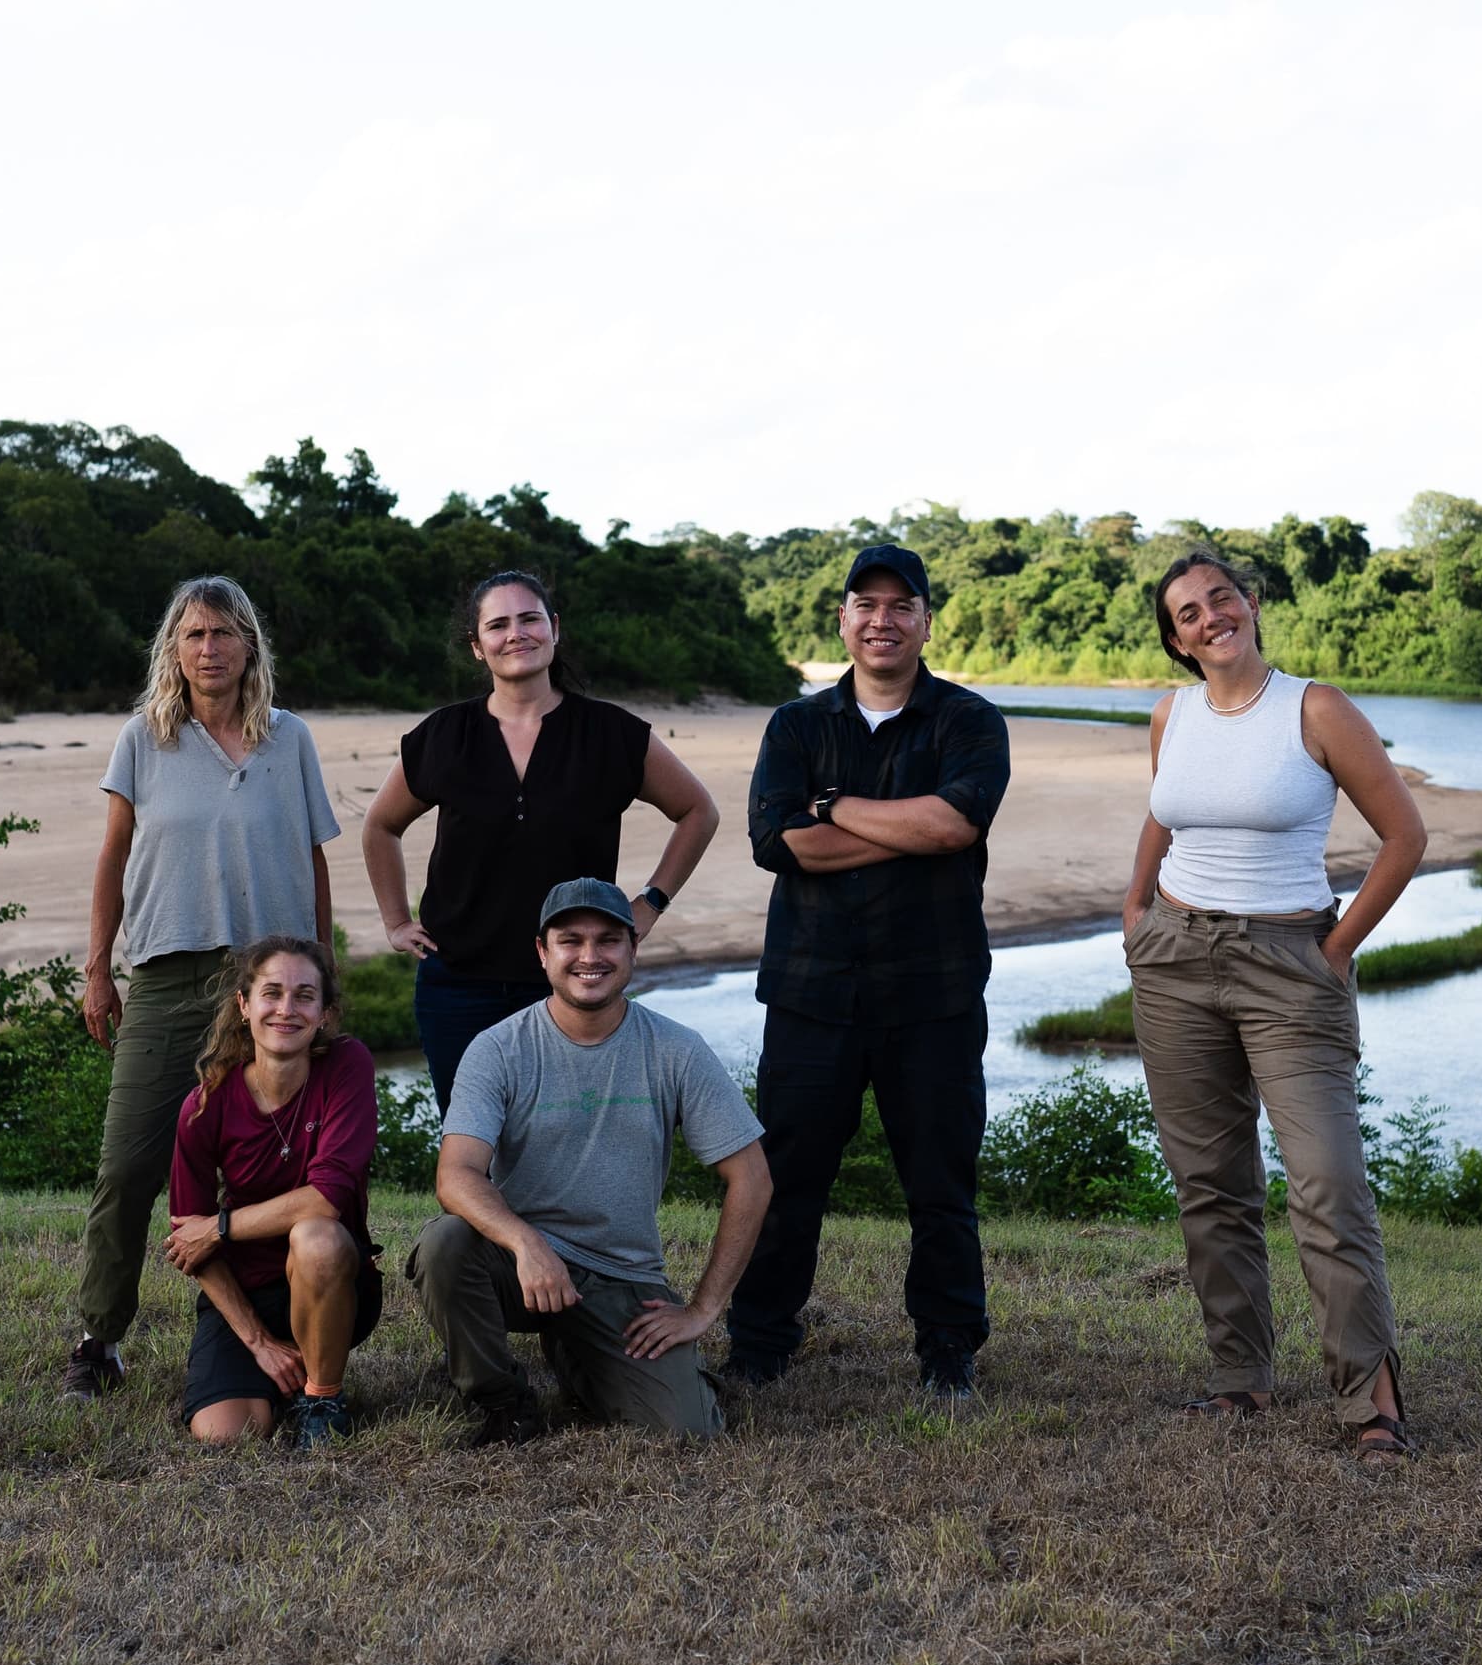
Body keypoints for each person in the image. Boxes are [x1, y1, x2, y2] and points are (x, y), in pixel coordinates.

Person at [1119, 550, 1429, 1460]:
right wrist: (1135, 914)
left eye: (1222, 597)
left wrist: (1334, 951)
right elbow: (1166, 812)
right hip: (1175, 960)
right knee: (1210, 1185)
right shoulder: (1170, 715)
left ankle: (1371, 1407)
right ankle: (1239, 1381)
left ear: (1251, 606)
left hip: (1289, 963)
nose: (1210, 616)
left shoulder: (1316, 707)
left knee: (1328, 1184)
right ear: (1177, 640)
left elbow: (1404, 836)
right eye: (1187, 612)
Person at [723, 543, 1011, 1400]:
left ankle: (948, 1349)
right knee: (785, 1181)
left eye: (901, 606)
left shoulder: (969, 721)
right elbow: (776, 843)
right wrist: (898, 827)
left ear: (926, 621)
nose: (882, 620)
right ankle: (762, 1342)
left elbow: (956, 826)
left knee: (941, 1183)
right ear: (842, 619)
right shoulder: (796, 726)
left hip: (936, 991)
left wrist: (832, 806)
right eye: (866, 605)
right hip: (813, 991)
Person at [62, 575, 343, 1401]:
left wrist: (323, 974)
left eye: (223, 633)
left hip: (271, 986)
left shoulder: (289, 740)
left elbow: (316, 857)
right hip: (165, 972)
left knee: (269, 1170)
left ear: (250, 643)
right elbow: (113, 857)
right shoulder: (144, 739)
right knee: (129, 1166)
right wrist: (96, 969)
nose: (209, 649)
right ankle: (98, 1338)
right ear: (172, 649)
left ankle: (264, 1328)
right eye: (193, 635)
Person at [408, 880, 772, 1442]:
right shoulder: (498, 1047)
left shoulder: (676, 1049)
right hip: (517, 1265)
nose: (589, 956)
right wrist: (527, 1244)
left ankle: (580, 1354)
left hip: (621, 1276)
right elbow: (455, 1175)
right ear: (542, 953)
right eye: (570, 940)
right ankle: (502, 1400)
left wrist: (703, 1309)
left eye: (608, 940)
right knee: (444, 1245)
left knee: (687, 1431)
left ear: (632, 949)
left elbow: (752, 1178)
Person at [359, 567, 723, 1098]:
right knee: (471, 1146)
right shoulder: (442, 735)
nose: (516, 634)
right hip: (459, 984)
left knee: (566, 1147)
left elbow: (698, 811)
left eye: (530, 619)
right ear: (478, 646)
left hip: (577, 979)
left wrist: (648, 905)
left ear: (554, 628)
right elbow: (380, 826)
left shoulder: (612, 734)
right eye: (498, 625)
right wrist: (395, 921)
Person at [158, 936, 382, 1452]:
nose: (286, 1009)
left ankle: (322, 1399)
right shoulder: (203, 1105)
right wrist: (258, 1343)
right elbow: (188, 1245)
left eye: (305, 996)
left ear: (325, 1013)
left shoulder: (347, 1066)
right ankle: (280, 1374)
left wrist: (219, 1226)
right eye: (272, 993)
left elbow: (324, 1200)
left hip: (335, 1278)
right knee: (226, 1435)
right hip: (246, 1292)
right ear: (244, 1005)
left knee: (317, 1236)